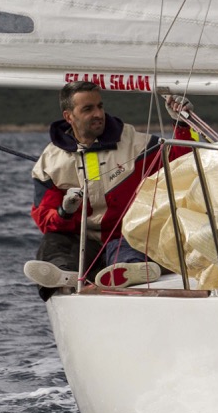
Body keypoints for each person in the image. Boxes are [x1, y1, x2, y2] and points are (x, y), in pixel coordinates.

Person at [22, 80, 195, 299]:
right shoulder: (50, 162)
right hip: (83, 239)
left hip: (126, 235)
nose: (98, 114)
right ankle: (64, 274)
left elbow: (182, 161)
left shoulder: (136, 144)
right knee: (53, 242)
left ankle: (131, 270)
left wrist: (181, 124)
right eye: (88, 109)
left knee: (129, 246)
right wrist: (64, 211)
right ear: (69, 117)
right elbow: (44, 218)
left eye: (100, 106)